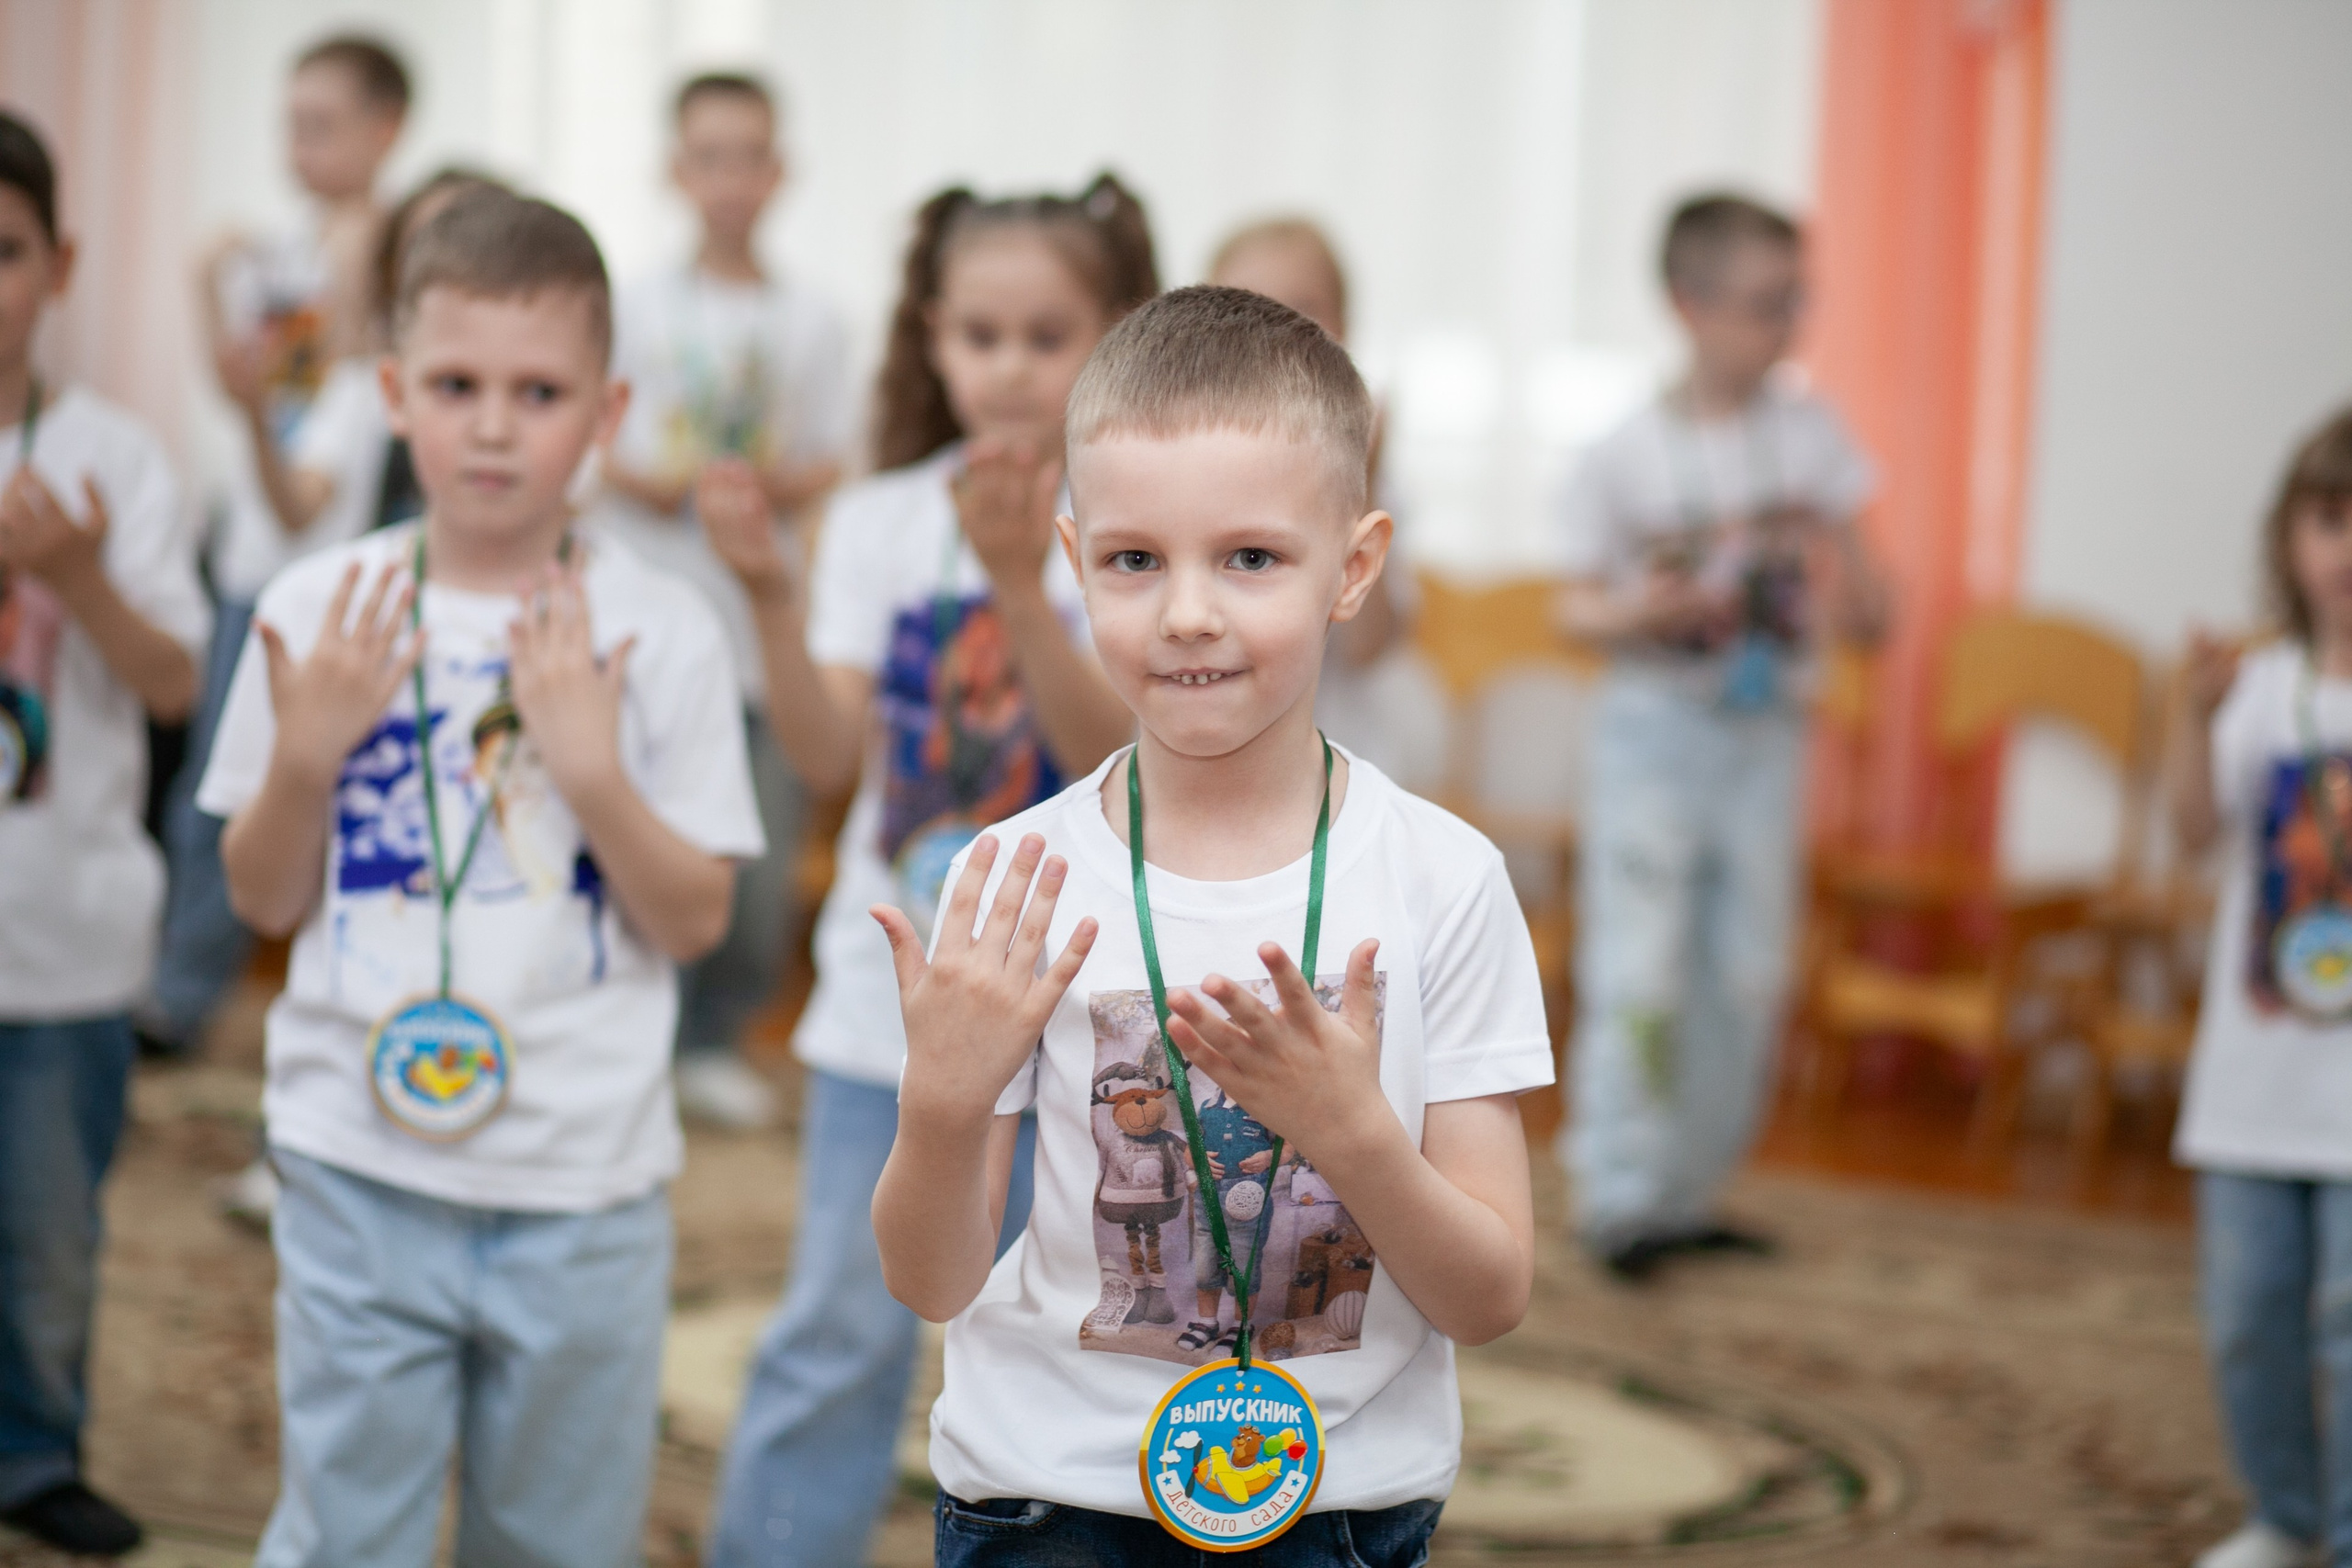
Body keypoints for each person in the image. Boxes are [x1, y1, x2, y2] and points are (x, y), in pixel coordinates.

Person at [868, 284, 1552, 1564]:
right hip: (1045, 1497)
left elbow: (1491, 1292)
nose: (1188, 611)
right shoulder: (1015, 875)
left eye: (1251, 557)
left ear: (1352, 567)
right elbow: (931, 1281)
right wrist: (941, 1105)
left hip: (1334, 1509)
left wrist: (1353, 1131)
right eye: (1136, 559)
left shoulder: (1444, 880)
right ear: (1073, 562)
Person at [196, 187, 762, 1564]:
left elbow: (695, 918)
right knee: (348, 1527)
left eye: (540, 389)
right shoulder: (313, 611)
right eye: (456, 384)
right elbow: (262, 898)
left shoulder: (660, 629)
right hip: (354, 1158)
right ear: (392, 392)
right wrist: (307, 755)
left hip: (583, 1183)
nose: (496, 424)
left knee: (557, 1537)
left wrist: (590, 767)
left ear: (606, 412)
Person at [694, 174, 1154, 1566]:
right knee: (842, 1324)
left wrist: (1027, 580)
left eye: (1047, 333)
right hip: (884, 1015)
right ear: (932, 340)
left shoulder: (1140, 522)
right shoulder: (885, 520)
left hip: (1089, 1019)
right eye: (979, 335)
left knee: (1073, 1335)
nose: (1008, 370)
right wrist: (771, 593)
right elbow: (834, 758)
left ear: (1115, 334)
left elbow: (1129, 774)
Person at [1555, 192, 1888, 1281]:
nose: (1782, 326)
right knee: (1639, 971)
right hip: (1655, 736)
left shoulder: (1809, 437)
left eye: (1794, 302)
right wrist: (1639, 614)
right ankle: (1617, 1193)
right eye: (1759, 304)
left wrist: (1851, 571)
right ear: (1686, 305)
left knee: (1744, 974)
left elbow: (1876, 609)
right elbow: (1569, 607)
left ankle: (1689, 1189)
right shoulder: (1622, 452)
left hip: (1762, 740)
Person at [0, 110, 208, 1557]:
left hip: (60, 934)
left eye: (4, 251)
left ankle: (30, 1448)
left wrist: (74, 568)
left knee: (46, 1229)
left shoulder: (114, 460)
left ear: (59, 264)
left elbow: (179, 683)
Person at [594, 72, 854, 1131]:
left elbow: (834, 455)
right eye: (709, 154)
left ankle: (712, 1037)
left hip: (761, 632)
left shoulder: (816, 319)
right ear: (675, 170)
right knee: (636, 829)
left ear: (779, 171)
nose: (730, 177)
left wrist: (765, 488)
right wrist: (650, 480)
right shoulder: (630, 307)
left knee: (749, 850)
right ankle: (630, 1036)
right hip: (647, 614)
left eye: (750, 154)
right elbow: (592, 433)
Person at [147, 33, 412, 1061]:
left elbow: (317, 432)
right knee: (210, 787)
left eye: (321, 125)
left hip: (315, 572)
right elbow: (261, 398)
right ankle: (178, 988)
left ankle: (181, 995)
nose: (298, 147)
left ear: (383, 130)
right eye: (290, 125)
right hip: (251, 556)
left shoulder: (376, 260)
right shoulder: (292, 248)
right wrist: (206, 289)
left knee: (255, 788)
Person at [2175, 408, 2352, 1568]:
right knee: (2247, 1320)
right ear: (2289, 535)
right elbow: (2192, 834)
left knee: (2346, 1332)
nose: (2347, 548)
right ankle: (2283, 1517)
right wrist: (2190, 724)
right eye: (2330, 518)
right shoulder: (2260, 686)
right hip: (2249, 1078)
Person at [1205, 217, 1413, 775]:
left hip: (1339, 763)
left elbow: (1371, 647)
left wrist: (1362, 485)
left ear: (1343, 327)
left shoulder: (1367, 478)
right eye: (1247, 308)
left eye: (1304, 309)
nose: (1275, 330)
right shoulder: (1183, 467)